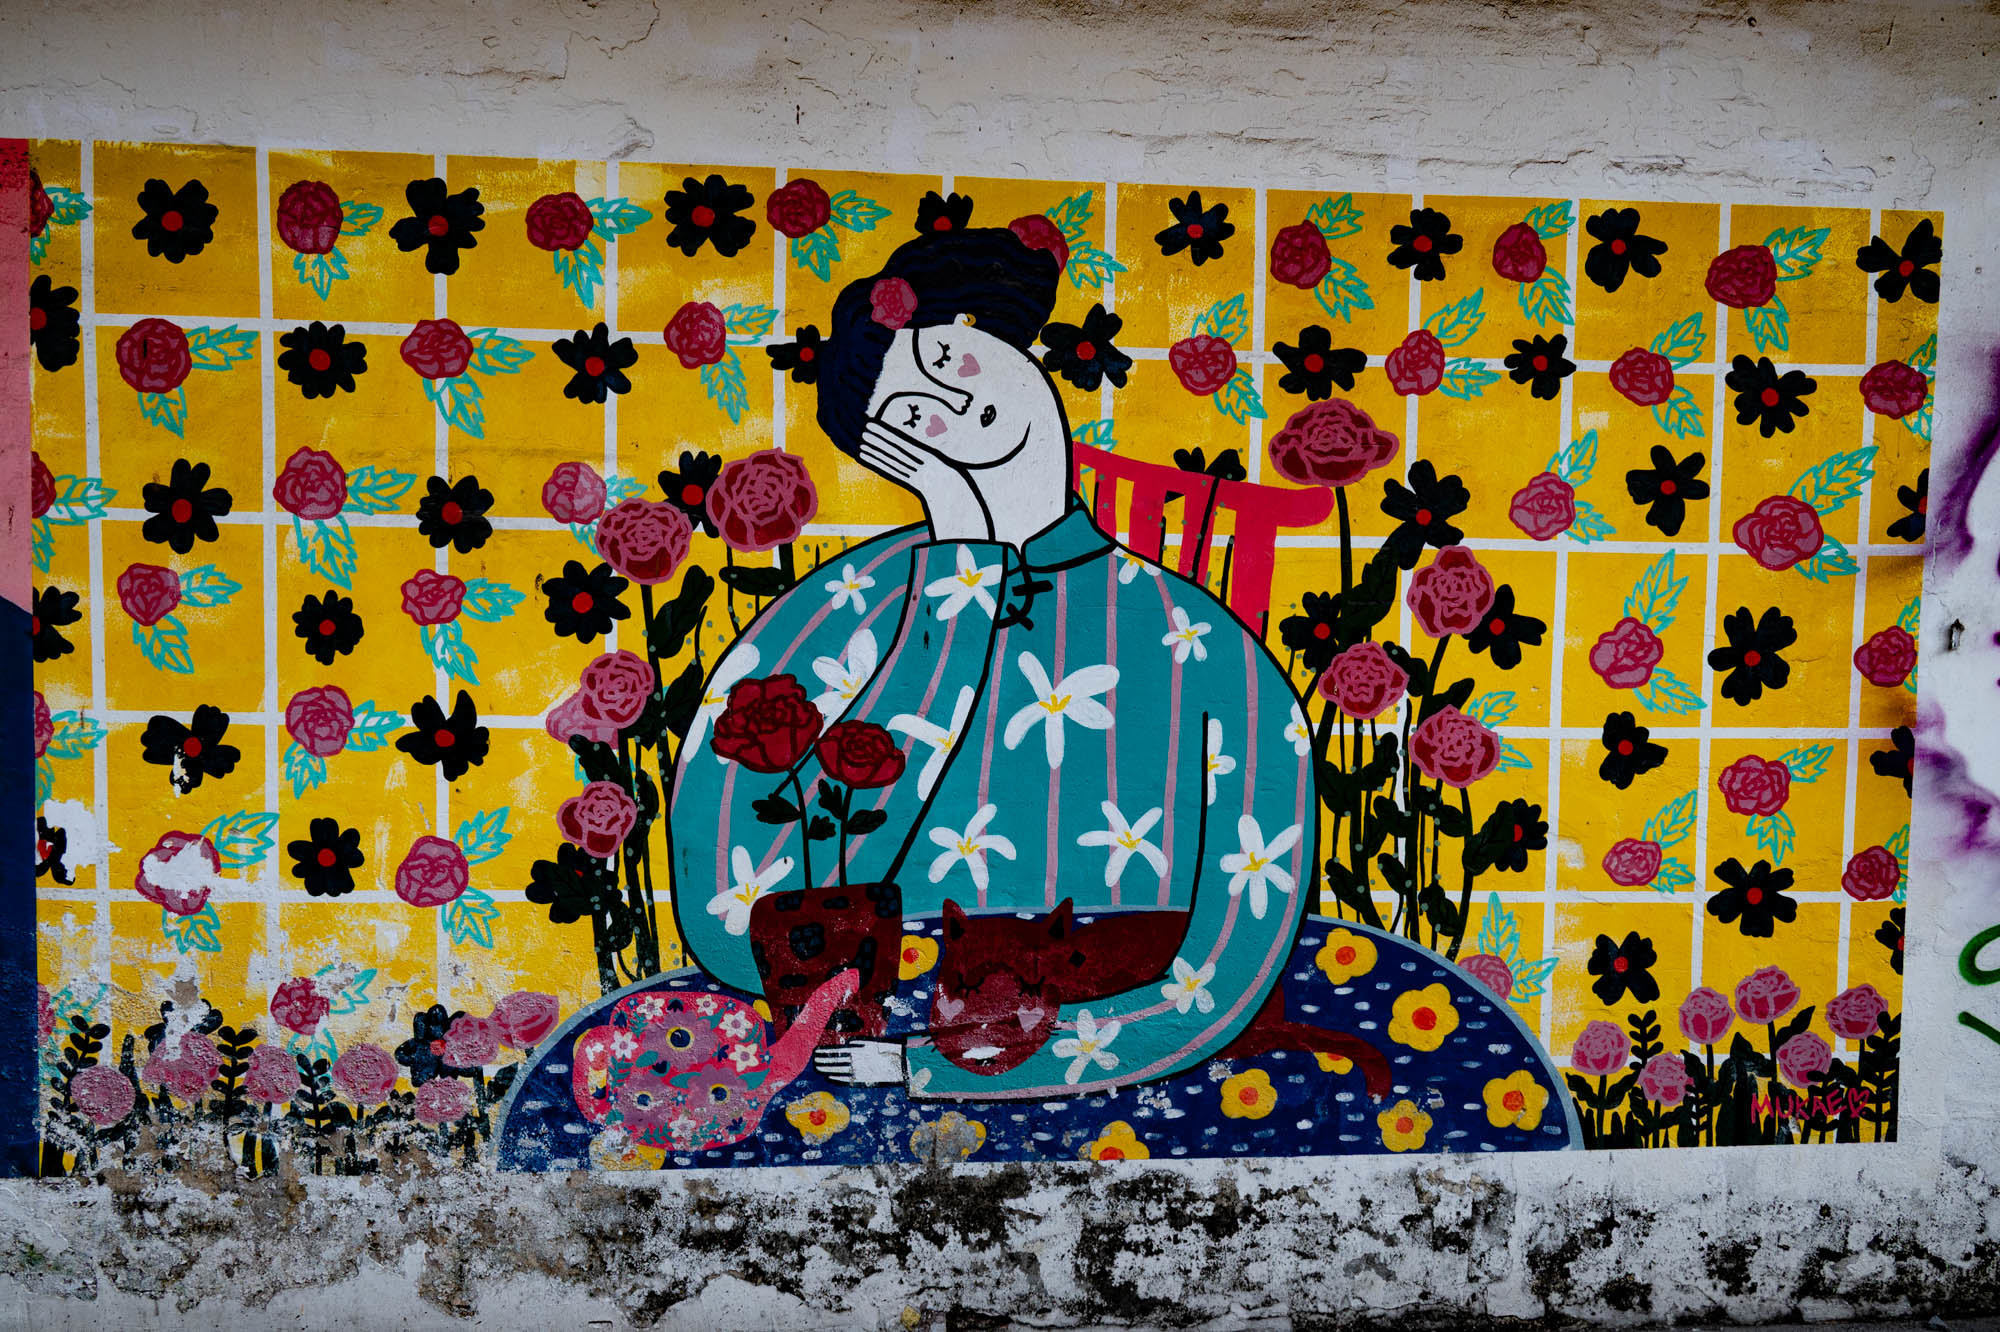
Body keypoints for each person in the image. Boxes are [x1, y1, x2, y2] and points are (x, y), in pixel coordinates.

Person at [666, 227, 1315, 1101]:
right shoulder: (846, 607)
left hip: (1141, 1050)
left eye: (944, 359)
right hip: (872, 1040)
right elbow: (725, 919)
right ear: (891, 456)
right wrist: (960, 573)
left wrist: (927, 1068)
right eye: (907, 416)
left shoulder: (1205, 642)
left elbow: (1231, 965)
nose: (947, 403)